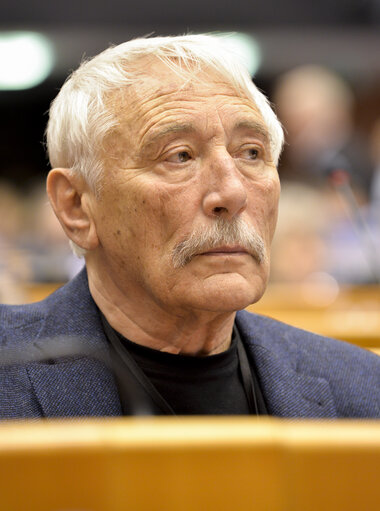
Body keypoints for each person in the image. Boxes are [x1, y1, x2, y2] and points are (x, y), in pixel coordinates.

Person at [0, 35, 378, 419]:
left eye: (251, 153)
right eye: (179, 156)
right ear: (76, 206)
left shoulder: (363, 392)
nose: (232, 192)